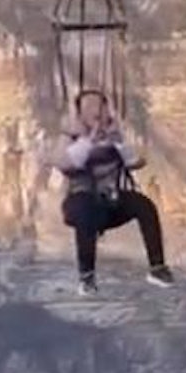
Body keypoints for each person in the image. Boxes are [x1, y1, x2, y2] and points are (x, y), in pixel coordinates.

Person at [56, 90, 175, 294]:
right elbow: (67, 163)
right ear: (79, 114)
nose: (96, 113)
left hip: (109, 202)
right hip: (79, 204)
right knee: (85, 208)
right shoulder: (69, 138)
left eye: (100, 107)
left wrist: (118, 142)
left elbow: (136, 162)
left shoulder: (113, 138)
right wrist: (89, 140)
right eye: (89, 107)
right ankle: (87, 277)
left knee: (143, 205)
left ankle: (157, 267)